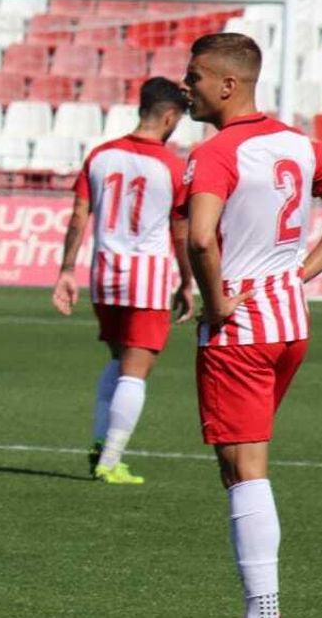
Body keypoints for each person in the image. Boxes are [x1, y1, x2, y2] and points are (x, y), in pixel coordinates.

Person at [180, 32, 322, 618]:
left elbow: (198, 238)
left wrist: (215, 304)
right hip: (289, 323)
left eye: (194, 77)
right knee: (239, 465)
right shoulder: (299, 144)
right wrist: (305, 270)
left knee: (245, 471)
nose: (186, 87)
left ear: (227, 85)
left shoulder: (215, 154)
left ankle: (262, 610)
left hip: (240, 330)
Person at [52, 77, 194, 483]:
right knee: (136, 370)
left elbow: (80, 215)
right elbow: (180, 232)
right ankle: (111, 461)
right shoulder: (171, 167)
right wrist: (187, 281)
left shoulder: (100, 155)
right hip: (147, 279)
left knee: (117, 359)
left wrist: (66, 270)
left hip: (104, 275)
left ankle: (100, 444)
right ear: (169, 116)